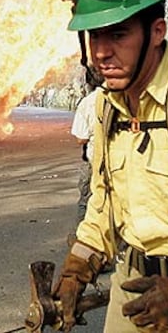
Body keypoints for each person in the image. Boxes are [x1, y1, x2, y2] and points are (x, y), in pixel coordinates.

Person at [53, 0, 168, 332]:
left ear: (156, 32)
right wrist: (77, 267)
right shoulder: (106, 107)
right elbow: (103, 203)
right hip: (131, 288)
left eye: (117, 34)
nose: (102, 52)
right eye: (94, 35)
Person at [68, 82, 100, 241]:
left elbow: (81, 138)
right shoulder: (125, 98)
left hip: (94, 161)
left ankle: (82, 242)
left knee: (86, 201)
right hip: (122, 163)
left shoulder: (87, 102)